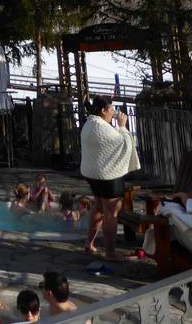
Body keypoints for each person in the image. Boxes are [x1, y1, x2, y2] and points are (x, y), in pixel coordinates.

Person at [79, 95, 140, 261]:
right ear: (103, 111)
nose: (113, 112)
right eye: (111, 109)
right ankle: (111, 252)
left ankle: (89, 244)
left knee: (98, 207)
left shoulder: (89, 124)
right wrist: (122, 127)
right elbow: (124, 143)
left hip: (92, 174)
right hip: (108, 176)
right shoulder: (102, 128)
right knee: (111, 213)